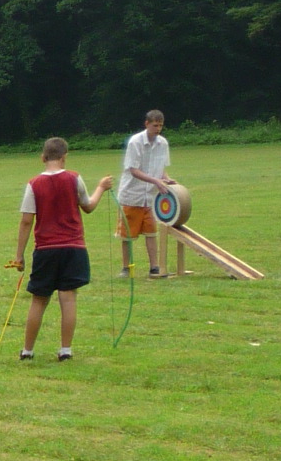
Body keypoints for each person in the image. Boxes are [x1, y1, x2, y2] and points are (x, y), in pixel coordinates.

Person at [13, 137, 113, 362]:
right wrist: (101, 187)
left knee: (39, 300)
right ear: (64, 157)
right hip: (73, 248)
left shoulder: (33, 184)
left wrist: (19, 255)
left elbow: (26, 221)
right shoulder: (74, 178)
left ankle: (27, 350)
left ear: (43, 157)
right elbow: (88, 206)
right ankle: (65, 349)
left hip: (45, 249)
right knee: (68, 299)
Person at [118, 109, 175, 278]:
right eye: (155, 125)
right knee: (128, 235)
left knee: (151, 232)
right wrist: (156, 181)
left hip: (151, 196)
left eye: (160, 126)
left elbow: (161, 168)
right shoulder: (135, 142)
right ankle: (126, 268)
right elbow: (133, 170)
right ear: (147, 124)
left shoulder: (163, 143)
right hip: (131, 194)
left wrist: (167, 179)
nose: (158, 129)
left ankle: (154, 267)